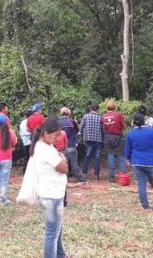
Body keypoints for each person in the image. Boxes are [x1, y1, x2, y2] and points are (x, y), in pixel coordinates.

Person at [30, 118, 69, 258]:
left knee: (57, 229)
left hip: (54, 193)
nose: (59, 139)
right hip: (50, 195)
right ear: (46, 133)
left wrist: (61, 157)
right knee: (52, 233)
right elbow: (64, 168)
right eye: (57, 135)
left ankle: (61, 254)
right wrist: (63, 158)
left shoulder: (47, 146)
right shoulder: (44, 149)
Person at [125, 113, 153, 210]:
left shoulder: (130, 133)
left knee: (141, 184)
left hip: (136, 162)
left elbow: (127, 149)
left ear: (133, 122)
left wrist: (127, 159)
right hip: (150, 161)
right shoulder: (152, 132)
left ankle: (145, 206)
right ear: (144, 121)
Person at [58, 107, 86, 182]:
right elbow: (77, 131)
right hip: (71, 145)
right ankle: (79, 178)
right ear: (69, 113)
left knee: (64, 162)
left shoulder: (58, 122)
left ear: (61, 113)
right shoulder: (72, 121)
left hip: (62, 147)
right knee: (74, 162)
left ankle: (64, 178)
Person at [102, 101, 127, 182]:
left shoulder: (103, 116)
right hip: (117, 136)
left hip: (107, 137)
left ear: (107, 108)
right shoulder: (119, 114)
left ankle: (111, 177)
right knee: (121, 156)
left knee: (110, 156)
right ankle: (122, 175)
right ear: (115, 107)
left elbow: (103, 129)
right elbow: (124, 126)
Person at [81, 104, 103, 179]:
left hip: (88, 138)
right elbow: (103, 129)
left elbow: (82, 127)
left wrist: (82, 135)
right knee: (97, 156)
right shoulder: (100, 117)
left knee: (87, 155)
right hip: (98, 139)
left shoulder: (85, 116)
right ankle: (97, 174)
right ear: (97, 109)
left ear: (90, 108)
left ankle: (84, 173)